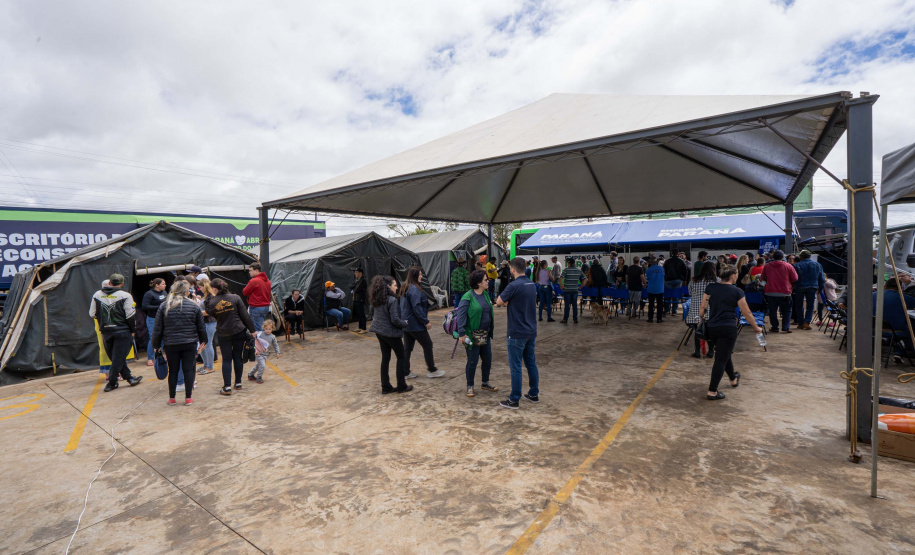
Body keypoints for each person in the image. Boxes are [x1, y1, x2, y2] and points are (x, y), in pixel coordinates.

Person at [699, 265, 762, 401]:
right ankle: (712, 391)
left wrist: (701, 319)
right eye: (737, 274)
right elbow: (747, 312)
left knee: (724, 353)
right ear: (733, 275)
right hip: (727, 328)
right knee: (721, 359)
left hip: (712, 327)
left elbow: (702, 307)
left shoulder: (711, 287)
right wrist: (756, 327)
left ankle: (733, 378)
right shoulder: (737, 291)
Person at [151, 280, 206, 406]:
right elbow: (201, 327)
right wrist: (204, 341)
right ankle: (188, 398)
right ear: (186, 292)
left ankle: (172, 398)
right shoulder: (193, 306)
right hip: (189, 343)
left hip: (171, 343)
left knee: (173, 371)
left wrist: (156, 345)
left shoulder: (164, 306)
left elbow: (158, 328)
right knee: (188, 370)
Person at [496, 257, 540, 410]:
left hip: (516, 332)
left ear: (512, 269)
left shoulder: (513, 286)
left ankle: (514, 399)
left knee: (516, 367)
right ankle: (534, 393)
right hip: (531, 331)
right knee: (531, 363)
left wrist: (508, 302)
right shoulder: (531, 284)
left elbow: (499, 301)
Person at [89, 273, 143, 393]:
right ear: (122, 284)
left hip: (106, 331)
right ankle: (112, 382)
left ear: (110, 283)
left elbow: (92, 314)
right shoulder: (125, 295)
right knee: (118, 357)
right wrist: (133, 330)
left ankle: (129, 378)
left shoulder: (97, 295)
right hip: (122, 330)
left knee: (117, 357)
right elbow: (130, 315)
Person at [205, 278, 256, 395]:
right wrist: (252, 330)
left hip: (223, 333)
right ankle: (238, 383)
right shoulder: (235, 297)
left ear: (214, 289)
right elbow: (245, 315)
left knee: (227, 359)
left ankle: (227, 387)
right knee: (238, 357)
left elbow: (210, 312)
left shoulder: (213, 302)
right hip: (239, 331)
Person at [456, 269, 498, 397]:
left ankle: (485, 382)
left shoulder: (485, 295)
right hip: (472, 335)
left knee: (487, 359)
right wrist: (462, 334)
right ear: (479, 282)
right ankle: (470, 386)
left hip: (484, 334)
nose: (488, 282)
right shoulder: (467, 297)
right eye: (486, 280)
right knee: (472, 361)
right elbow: (461, 316)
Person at [369, 275, 412, 394]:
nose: (397, 287)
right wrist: (405, 323)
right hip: (390, 333)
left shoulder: (378, 299)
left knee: (386, 358)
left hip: (379, 332)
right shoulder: (392, 300)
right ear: (388, 286)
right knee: (401, 356)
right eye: (395, 285)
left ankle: (386, 387)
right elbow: (395, 320)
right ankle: (401, 385)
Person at [401, 267, 444, 379]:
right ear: (415, 276)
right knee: (428, 344)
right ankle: (432, 370)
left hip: (406, 324)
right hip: (415, 324)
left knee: (407, 348)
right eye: (420, 274)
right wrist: (425, 321)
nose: (421, 276)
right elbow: (417, 308)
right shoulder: (414, 289)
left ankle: (405, 372)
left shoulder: (405, 287)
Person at [760, 250, 798, 333]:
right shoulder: (788, 266)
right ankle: (785, 327)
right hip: (785, 292)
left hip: (770, 292)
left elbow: (762, 278)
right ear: (783, 257)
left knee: (772, 311)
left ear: (772, 257)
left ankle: (775, 327)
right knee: (787, 311)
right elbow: (795, 278)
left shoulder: (767, 266)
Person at [686, 261, 718, 358]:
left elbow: (690, 292)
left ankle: (697, 352)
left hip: (696, 310)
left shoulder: (693, 280)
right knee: (710, 332)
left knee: (698, 331)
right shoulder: (717, 281)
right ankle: (711, 351)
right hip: (711, 310)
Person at [792, 250, 825, 330]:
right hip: (812, 287)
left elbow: (792, 278)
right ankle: (806, 322)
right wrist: (820, 288)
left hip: (799, 287)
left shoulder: (796, 265)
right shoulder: (817, 265)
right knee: (810, 305)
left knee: (799, 305)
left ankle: (800, 323)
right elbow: (822, 278)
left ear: (801, 257)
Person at [141, 278, 168, 366]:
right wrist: (159, 307)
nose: (165, 286)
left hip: (164, 318)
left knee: (163, 337)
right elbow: (145, 306)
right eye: (163, 284)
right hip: (153, 318)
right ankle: (150, 358)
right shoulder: (149, 294)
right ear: (157, 285)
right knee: (153, 337)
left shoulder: (164, 293)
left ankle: (160, 355)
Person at [248, 319, 280, 384]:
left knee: (258, 365)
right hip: (258, 353)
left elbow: (275, 345)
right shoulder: (260, 334)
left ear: (272, 329)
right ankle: (259, 377)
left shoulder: (273, 337)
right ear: (263, 328)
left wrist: (277, 352)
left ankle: (250, 374)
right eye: (266, 329)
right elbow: (253, 334)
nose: (267, 330)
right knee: (262, 365)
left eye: (269, 329)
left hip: (265, 354)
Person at [242, 262, 272, 331]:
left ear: (256, 270)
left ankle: (260, 341)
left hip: (256, 307)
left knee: (257, 329)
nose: (249, 272)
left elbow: (244, 292)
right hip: (266, 307)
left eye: (250, 270)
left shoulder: (254, 281)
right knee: (262, 326)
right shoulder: (268, 281)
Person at [197, 276, 218, 375]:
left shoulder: (211, 296)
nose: (199, 289)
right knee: (204, 344)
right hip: (205, 322)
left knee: (208, 343)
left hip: (210, 322)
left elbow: (210, 312)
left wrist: (198, 312)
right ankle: (206, 364)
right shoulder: (207, 295)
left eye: (200, 287)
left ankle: (210, 366)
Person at [663, 249, 689, 315]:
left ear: (671, 253)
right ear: (678, 253)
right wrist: (684, 279)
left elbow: (664, 270)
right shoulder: (681, 261)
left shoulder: (667, 261)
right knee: (676, 296)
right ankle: (674, 311)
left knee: (668, 295)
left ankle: (667, 310)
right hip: (678, 280)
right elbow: (685, 271)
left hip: (668, 280)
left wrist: (665, 278)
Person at [559, 257, 584, 324]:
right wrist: (580, 287)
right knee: (575, 305)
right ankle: (575, 319)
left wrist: (561, 286)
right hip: (575, 290)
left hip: (567, 290)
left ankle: (565, 319)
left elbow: (560, 278)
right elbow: (585, 279)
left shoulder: (566, 270)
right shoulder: (579, 271)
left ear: (569, 263)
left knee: (567, 305)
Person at [645, 257, 665, 323]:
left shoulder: (648, 270)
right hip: (660, 288)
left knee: (651, 304)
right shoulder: (662, 269)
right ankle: (659, 318)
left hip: (651, 288)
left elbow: (647, 278)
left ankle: (650, 318)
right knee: (660, 304)